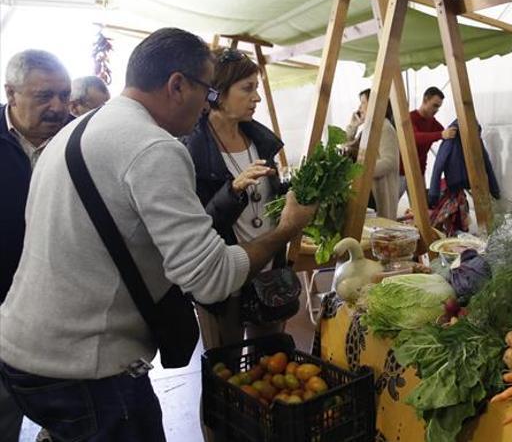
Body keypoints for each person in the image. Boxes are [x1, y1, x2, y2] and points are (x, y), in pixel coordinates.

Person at [0, 28, 315, 441]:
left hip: (27, 354)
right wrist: (287, 230)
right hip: (86, 368)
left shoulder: (76, 132)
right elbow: (212, 276)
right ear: (177, 84)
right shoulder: (153, 147)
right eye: (207, 90)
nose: (208, 103)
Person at [180, 47, 287, 351]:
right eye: (247, 88)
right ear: (216, 94)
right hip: (223, 279)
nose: (257, 98)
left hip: (267, 273)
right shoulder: (191, 150)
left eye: (256, 88)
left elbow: (269, 205)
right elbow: (195, 227)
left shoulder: (261, 142)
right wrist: (233, 191)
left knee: (270, 364)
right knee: (224, 372)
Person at [0, 49, 70, 442]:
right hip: (2, 305)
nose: (58, 107)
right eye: (44, 96)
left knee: (67, 417)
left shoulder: (81, 139)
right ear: (11, 94)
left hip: (61, 311)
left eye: (63, 95)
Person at [345, 88, 400, 219]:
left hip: (376, 192)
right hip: (366, 189)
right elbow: (347, 144)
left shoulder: (385, 127)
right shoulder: (369, 128)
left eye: (363, 103)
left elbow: (389, 162)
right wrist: (353, 125)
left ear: (374, 104)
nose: (360, 107)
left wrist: (361, 172)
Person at [398, 86, 458, 198]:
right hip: (400, 172)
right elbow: (414, 138)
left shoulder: (433, 123)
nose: (436, 110)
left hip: (418, 172)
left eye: (439, 107)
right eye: (434, 105)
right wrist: (441, 134)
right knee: (388, 209)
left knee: (422, 211)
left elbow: (446, 133)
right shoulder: (410, 118)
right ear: (425, 100)